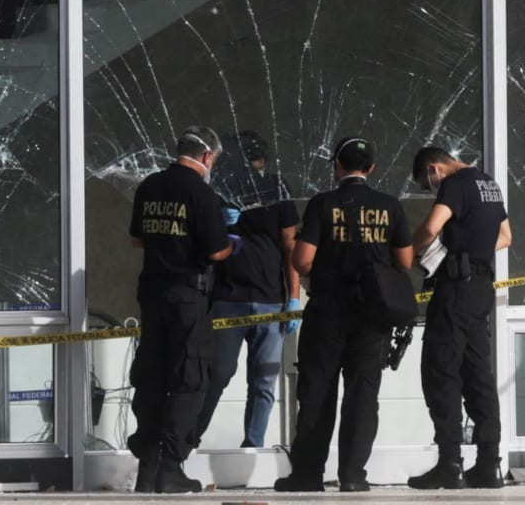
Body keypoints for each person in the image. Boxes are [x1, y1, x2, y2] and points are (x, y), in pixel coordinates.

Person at [275, 137, 413, 494]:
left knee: (317, 392)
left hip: (328, 312)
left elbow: (302, 260)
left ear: (337, 165)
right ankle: (353, 475)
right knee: (363, 395)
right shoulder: (390, 206)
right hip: (373, 316)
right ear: (370, 169)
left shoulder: (324, 204)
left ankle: (307, 475)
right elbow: (406, 262)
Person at [129, 126, 236, 494]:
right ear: (207, 156)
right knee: (189, 380)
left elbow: (137, 238)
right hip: (189, 298)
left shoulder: (150, 186)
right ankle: (171, 467)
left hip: (153, 295)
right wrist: (232, 243)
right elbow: (217, 251)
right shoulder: (201, 194)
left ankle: (148, 467)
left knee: (152, 377)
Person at [406, 146, 510, 491]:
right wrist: (472, 249)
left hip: (455, 290)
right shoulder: (489, 184)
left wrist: (406, 252)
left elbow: (433, 227)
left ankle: (450, 463)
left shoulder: (455, 183)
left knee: (441, 371)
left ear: (434, 168)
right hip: (482, 288)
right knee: (478, 373)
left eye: (427, 183)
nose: (431, 188)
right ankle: (489, 463)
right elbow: (506, 237)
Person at [196, 131, 302, 449]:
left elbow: (290, 246)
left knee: (264, 381)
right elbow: (202, 243)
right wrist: (220, 220)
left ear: (263, 161)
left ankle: (252, 445)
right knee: (217, 375)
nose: (252, 166)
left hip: (270, 300)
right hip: (229, 298)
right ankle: (188, 440)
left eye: (254, 159)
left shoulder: (277, 188)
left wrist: (293, 297)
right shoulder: (220, 191)